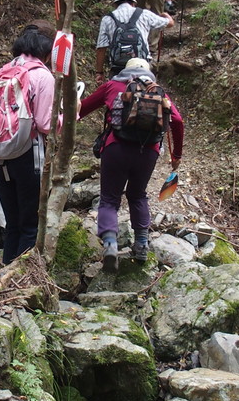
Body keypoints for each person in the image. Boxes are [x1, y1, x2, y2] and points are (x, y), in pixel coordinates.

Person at [79, 58, 184, 270]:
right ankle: (142, 244)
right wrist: (176, 155)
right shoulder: (158, 90)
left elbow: (83, 108)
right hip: (148, 152)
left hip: (115, 148)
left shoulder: (113, 85)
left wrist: (62, 122)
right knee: (138, 194)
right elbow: (178, 121)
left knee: (109, 198)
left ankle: (110, 243)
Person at [0, 22, 56, 264]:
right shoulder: (42, 76)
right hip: (28, 155)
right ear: (48, 51)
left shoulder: (3, 71)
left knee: (13, 224)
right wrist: (71, 115)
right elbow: (46, 124)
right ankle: (22, 282)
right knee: (30, 225)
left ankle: (6, 274)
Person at [94, 0, 174, 85]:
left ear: (115, 4)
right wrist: (166, 15)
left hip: (118, 68)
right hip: (141, 65)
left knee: (116, 93)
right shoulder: (144, 14)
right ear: (133, 3)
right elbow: (170, 24)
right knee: (143, 94)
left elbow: (101, 48)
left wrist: (99, 72)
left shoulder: (107, 19)